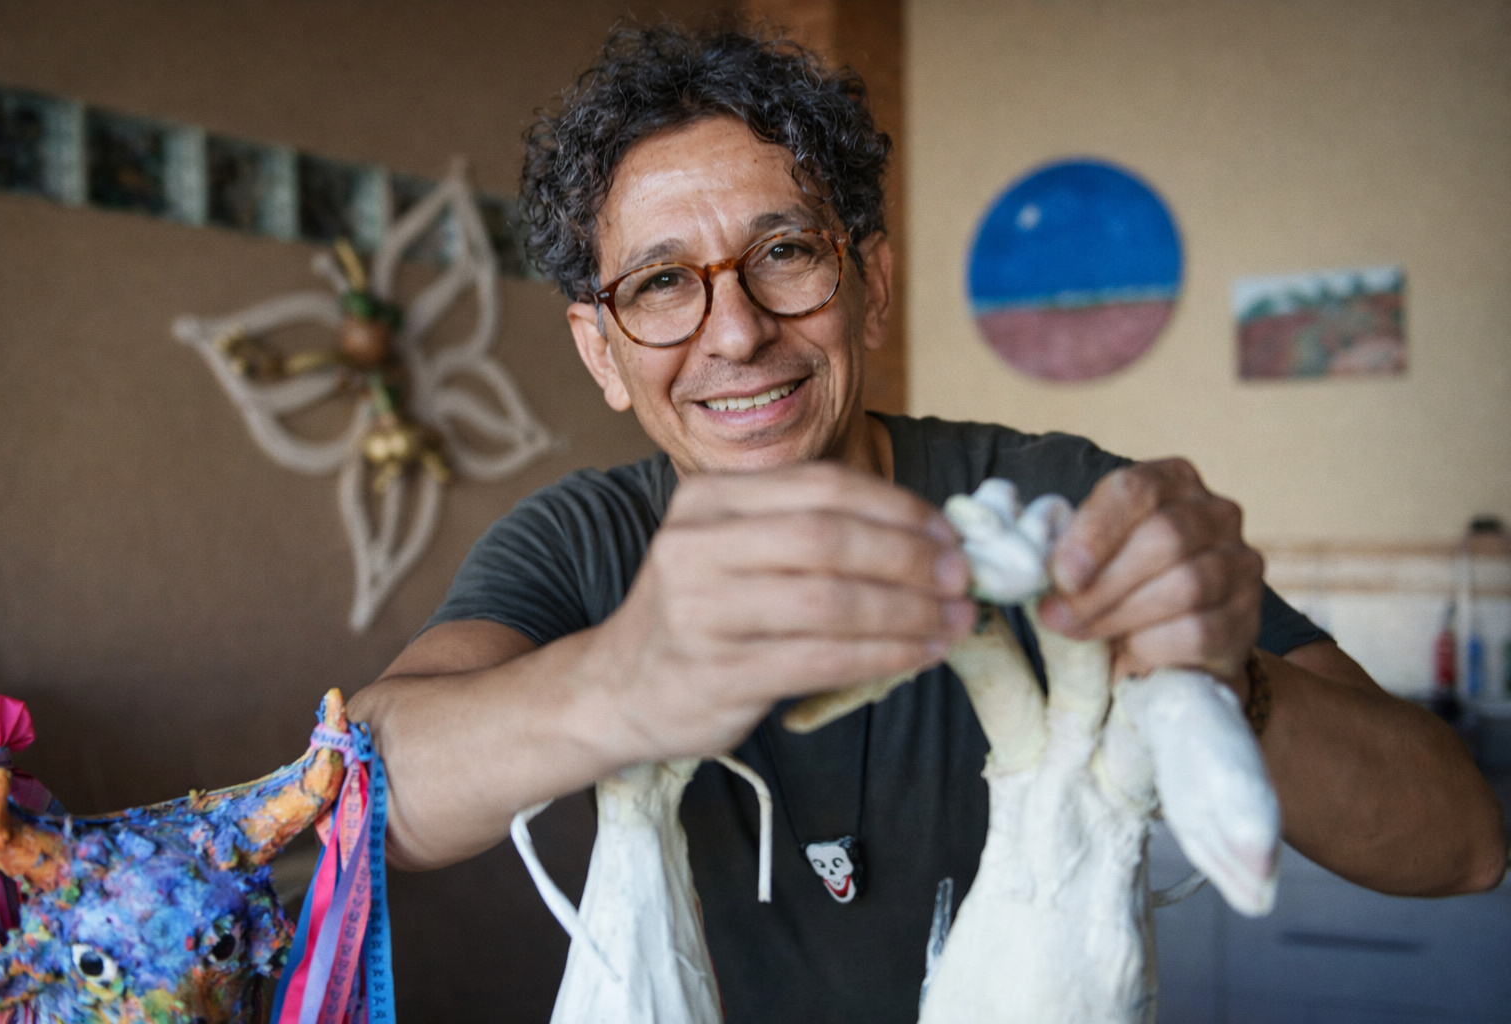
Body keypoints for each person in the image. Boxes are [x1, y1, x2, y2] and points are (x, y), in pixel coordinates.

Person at [349, 22, 1506, 1023]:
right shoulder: (583, 544)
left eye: (785, 252)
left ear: (872, 283)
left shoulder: (1061, 505)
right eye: (661, 284)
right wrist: (618, 681)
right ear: (601, 352)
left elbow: (1463, 842)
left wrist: (1226, 681)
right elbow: (362, 804)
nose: (737, 330)